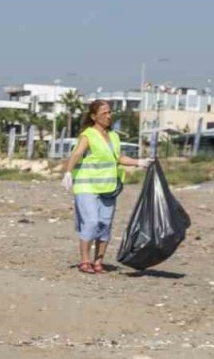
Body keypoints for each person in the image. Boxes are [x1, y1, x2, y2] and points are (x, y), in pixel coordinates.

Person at [61, 100, 150, 273]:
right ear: (94, 117)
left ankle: (98, 262)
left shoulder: (114, 136)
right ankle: (85, 261)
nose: (109, 116)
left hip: (108, 187)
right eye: (104, 113)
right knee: (92, 221)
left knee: (105, 224)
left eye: (109, 112)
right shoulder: (88, 135)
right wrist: (68, 172)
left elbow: (118, 158)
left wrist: (140, 162)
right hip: (87, 186)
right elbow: (77, 153)